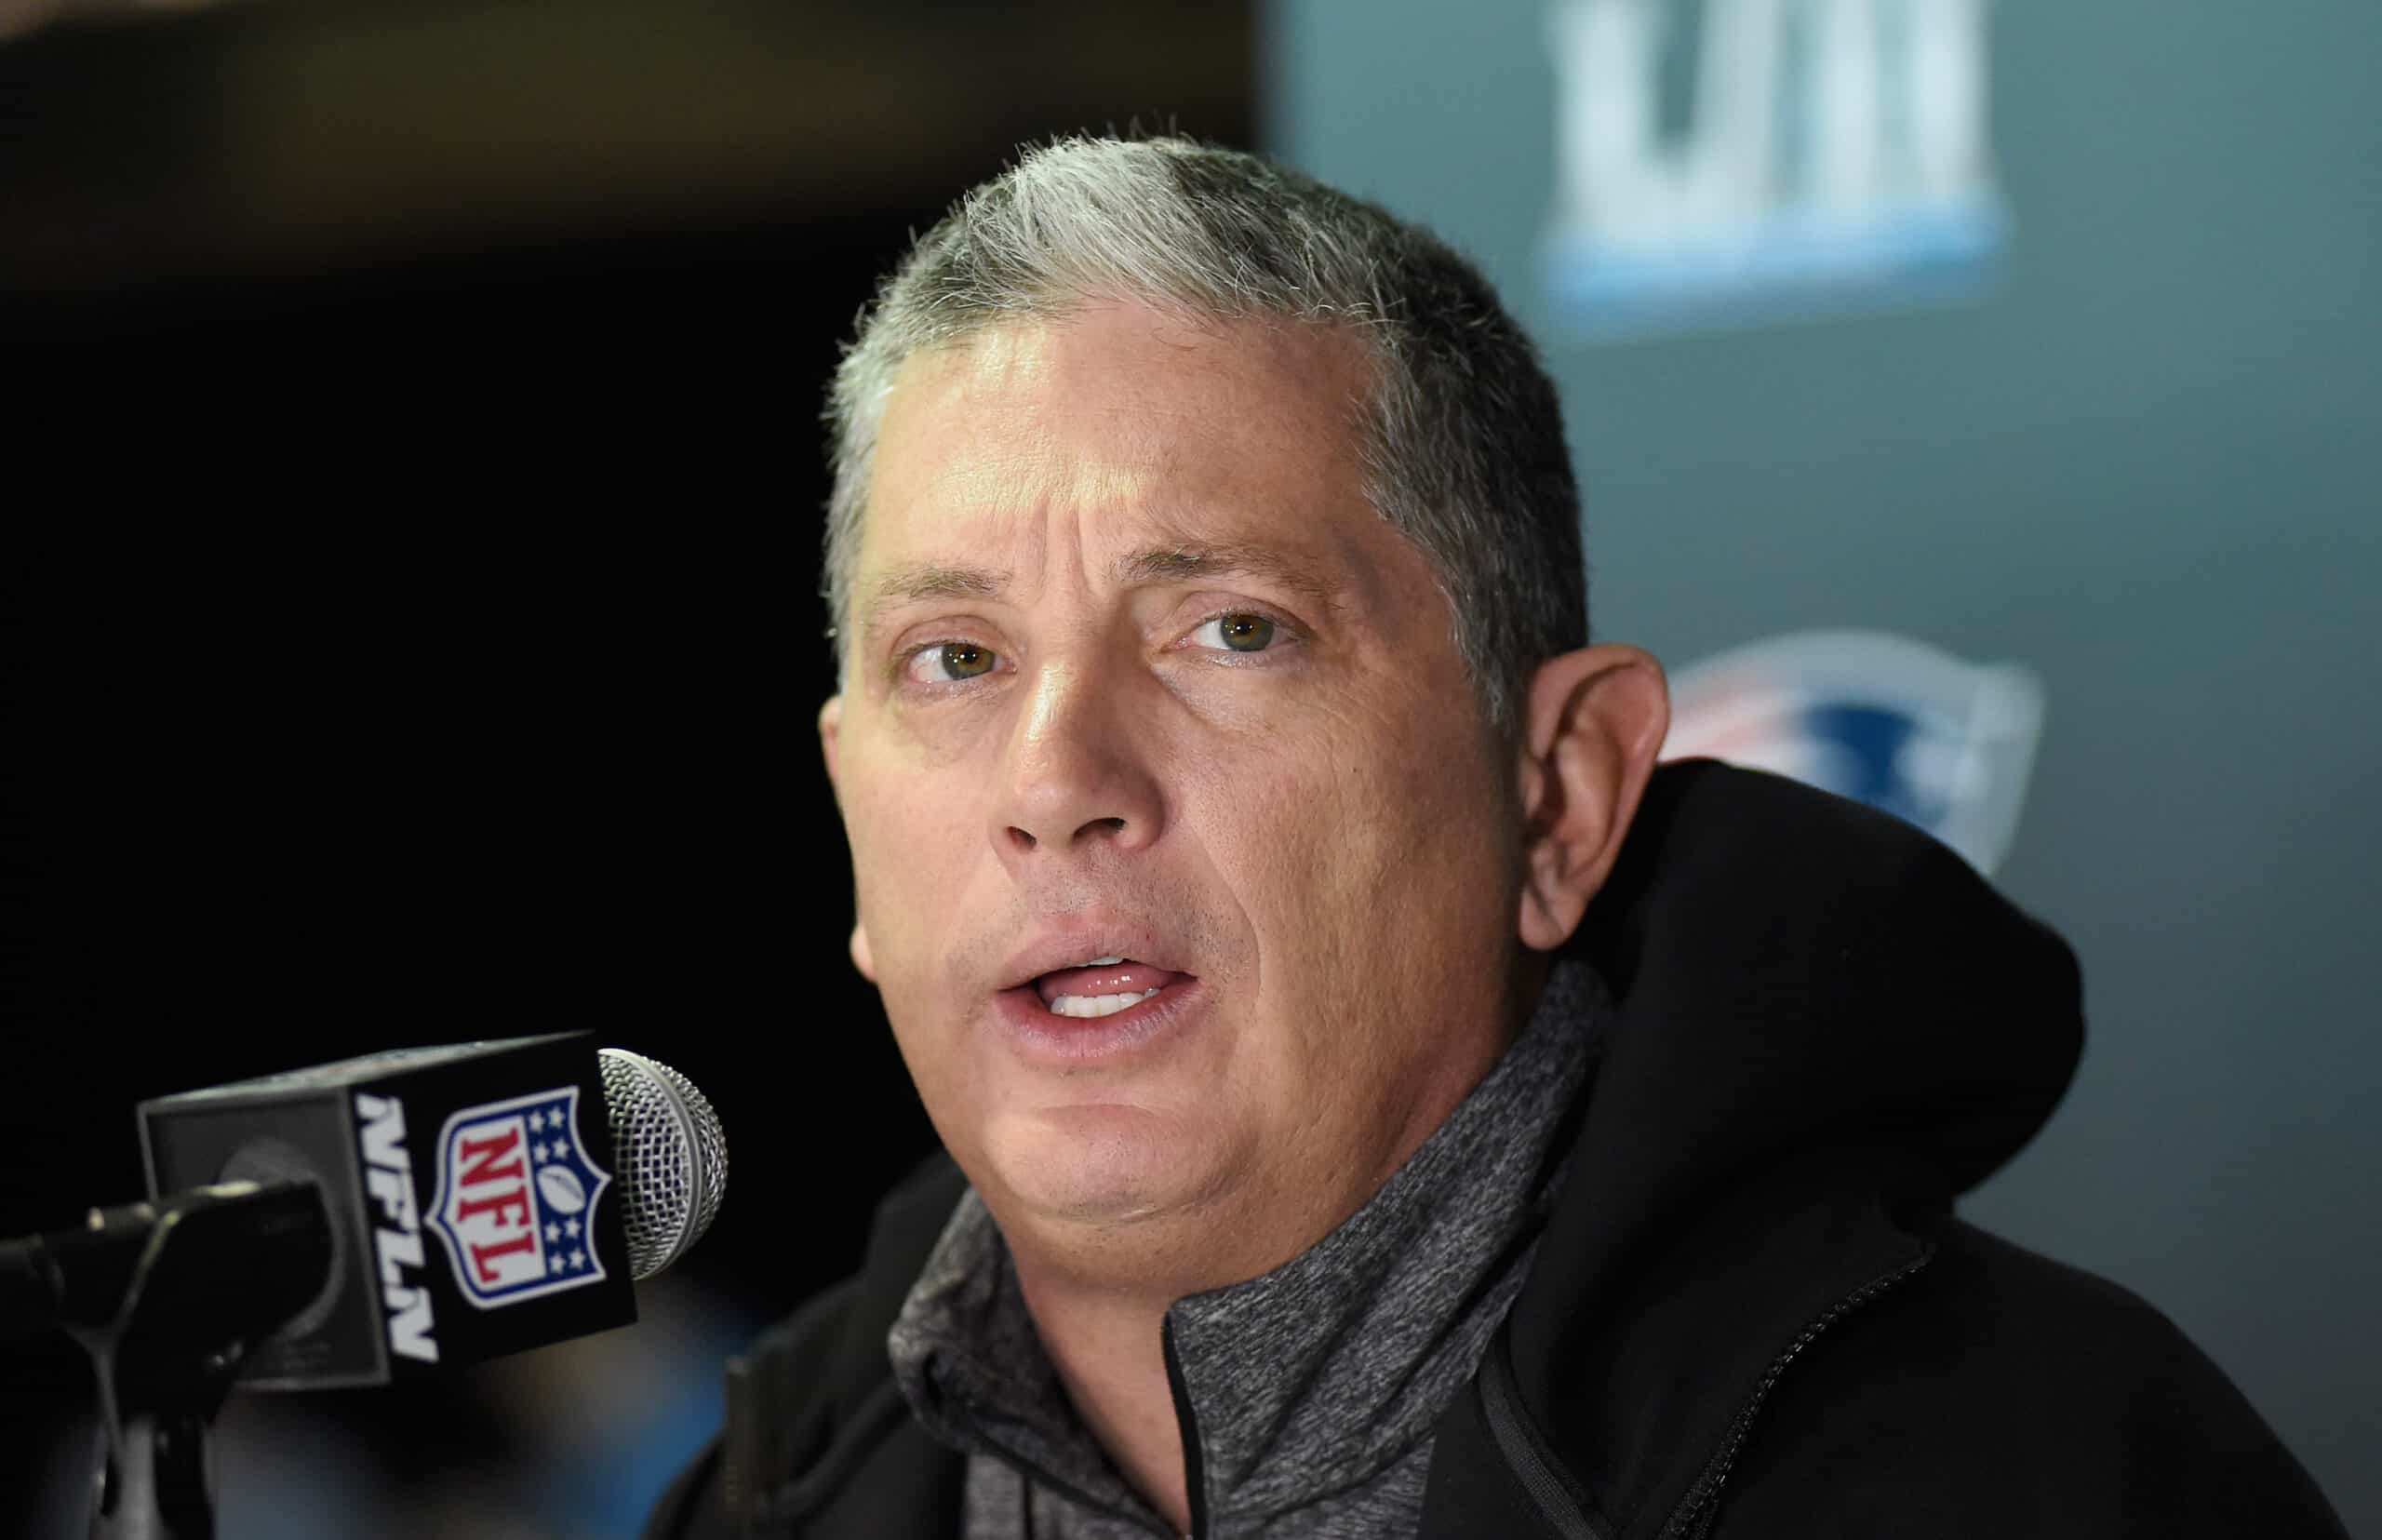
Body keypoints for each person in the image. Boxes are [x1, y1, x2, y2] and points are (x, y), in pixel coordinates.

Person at [646, 136, 2347, 1539]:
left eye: (1231, 629)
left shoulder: (2038, 1483)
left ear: (1557, 794)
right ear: (850, 808)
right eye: (954, 660)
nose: (1055, 774)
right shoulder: (757, 1505)